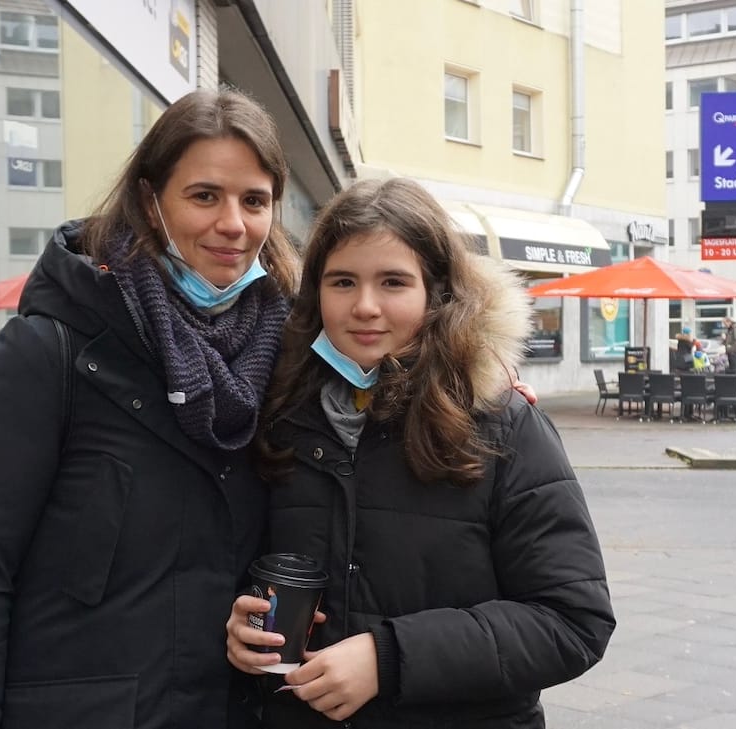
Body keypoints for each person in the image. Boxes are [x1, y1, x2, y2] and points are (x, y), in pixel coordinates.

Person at [0, 88, 303, 729]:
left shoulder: (280, 357)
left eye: (254, 200)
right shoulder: (47, 355)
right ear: (150, 200)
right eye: (205, 195)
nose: (234, 224)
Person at [225, 178, 615, 728]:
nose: (364, 307)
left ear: (436, 294)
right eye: (342, 282)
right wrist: (244, 623)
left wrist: (389, 659)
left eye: (393, 282)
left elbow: (572, 622)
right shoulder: (282, 418)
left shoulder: (504, 425)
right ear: (316, 295)